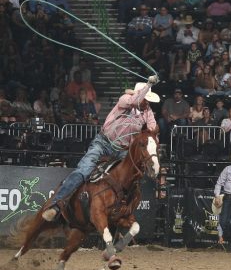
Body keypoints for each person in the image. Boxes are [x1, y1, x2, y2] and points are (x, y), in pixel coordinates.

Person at [42, 76, 160, 222]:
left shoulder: (147, 112)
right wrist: (148, 84)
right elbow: (134, 101)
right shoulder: (125, 99)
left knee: (131, 178)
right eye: (145, 98)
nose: (147, 102)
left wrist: (153, 141)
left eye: (148, 100)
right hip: (103, 143)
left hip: (123, 150)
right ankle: (56, 205)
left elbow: (153, 130)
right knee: (83, 171)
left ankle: (121, 214)